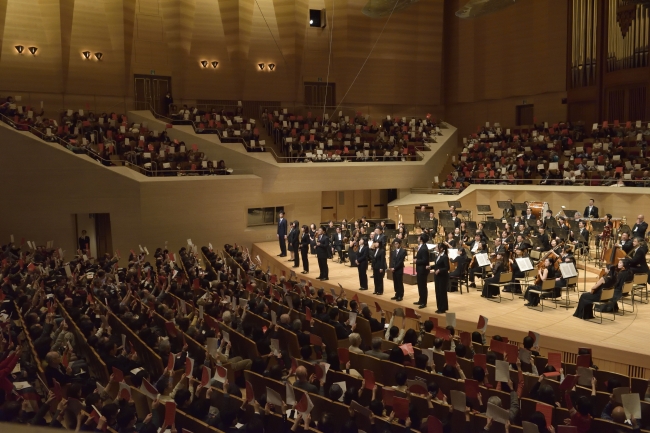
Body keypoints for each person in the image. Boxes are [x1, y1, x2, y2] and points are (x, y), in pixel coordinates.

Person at [414, 234, 431, 308]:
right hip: (420, 269)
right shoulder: (421, 247)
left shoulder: (424, 248)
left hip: (423, 270)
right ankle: (421, 300)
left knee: (423, 286)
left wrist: (416, 261)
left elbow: (425, 260)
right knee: (420, 286)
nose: (417, 237)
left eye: (419, 237)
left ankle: (424, 302)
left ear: (421, 239)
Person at [432, 243, 450, 313]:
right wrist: (430, 267)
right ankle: (439, 307)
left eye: (437, 247)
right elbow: (437, 265)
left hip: (443, 277)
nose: (436, 248)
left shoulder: (445, 257)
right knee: (438, 292)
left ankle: (443, 308)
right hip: (437, 276)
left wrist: (440, 270)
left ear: (441, 248)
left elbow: (447, 267)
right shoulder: (437, 256)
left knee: (442, 292)